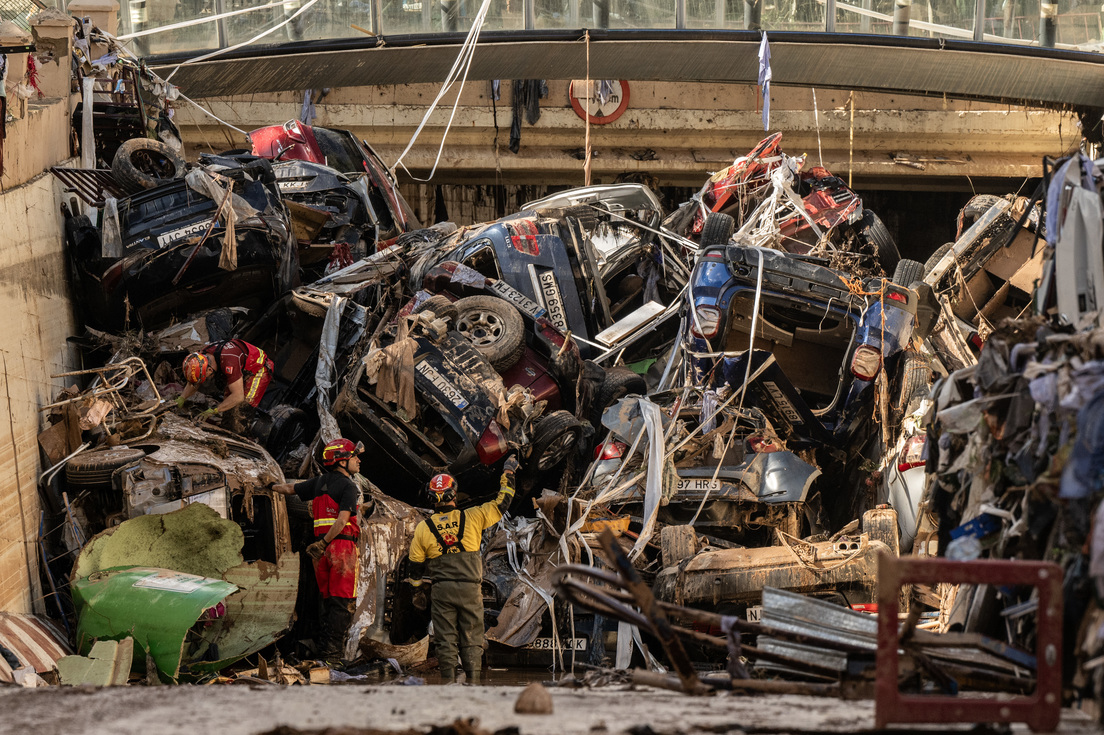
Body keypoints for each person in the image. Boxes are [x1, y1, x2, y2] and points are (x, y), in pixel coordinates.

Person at [406, 457, 517, 684]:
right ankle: (473, 681)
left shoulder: (423, 528)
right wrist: (508, 471)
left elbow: (415, 567)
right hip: (469, 590)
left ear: (431, 498)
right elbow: (503, 502)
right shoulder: (473, 516)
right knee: (472, 636)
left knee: (446, 638)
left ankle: (447, 681)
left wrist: (417, 592)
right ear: (454, 495)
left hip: (441, 592)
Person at [268, 438, 365, 661]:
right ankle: (332, 657)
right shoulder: (349, 486)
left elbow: (289, 489)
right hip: (340, 547)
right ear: (342, 462)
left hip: (319, 552)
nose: (358, 461)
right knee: (342, 604)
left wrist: (270, 485)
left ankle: (323, 652)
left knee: (327, 601)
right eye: (354, 457)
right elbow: (341, 521)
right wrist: (325, 543)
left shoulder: (319, 482)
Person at [176, 339, 275, 425]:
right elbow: (195, 382)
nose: (206, 380)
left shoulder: (229, 362)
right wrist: (182, 398)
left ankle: (240, 433)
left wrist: (214, 411)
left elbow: (238, 396)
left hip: (259, 368)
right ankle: (227, 424)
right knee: (228, 406)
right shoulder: (202, 355)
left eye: (204, 377)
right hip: (240, 364)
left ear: (210, 370)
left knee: (241, 409)